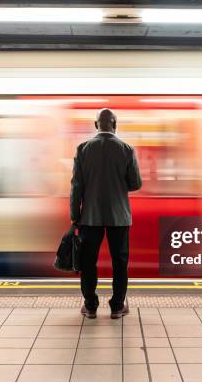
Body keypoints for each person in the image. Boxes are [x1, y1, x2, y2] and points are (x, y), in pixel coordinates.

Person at [70, 108, 142, 319]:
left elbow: (76, 187)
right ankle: (117, 306)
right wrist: (117, 185)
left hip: (89, 217)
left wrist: (75, 216)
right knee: (119, 261)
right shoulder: (127, 149)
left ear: (96, 126)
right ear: (115, 125)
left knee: (88, 261)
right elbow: (135, 183)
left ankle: (91, 306)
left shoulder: (83, 149)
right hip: (119, 216)